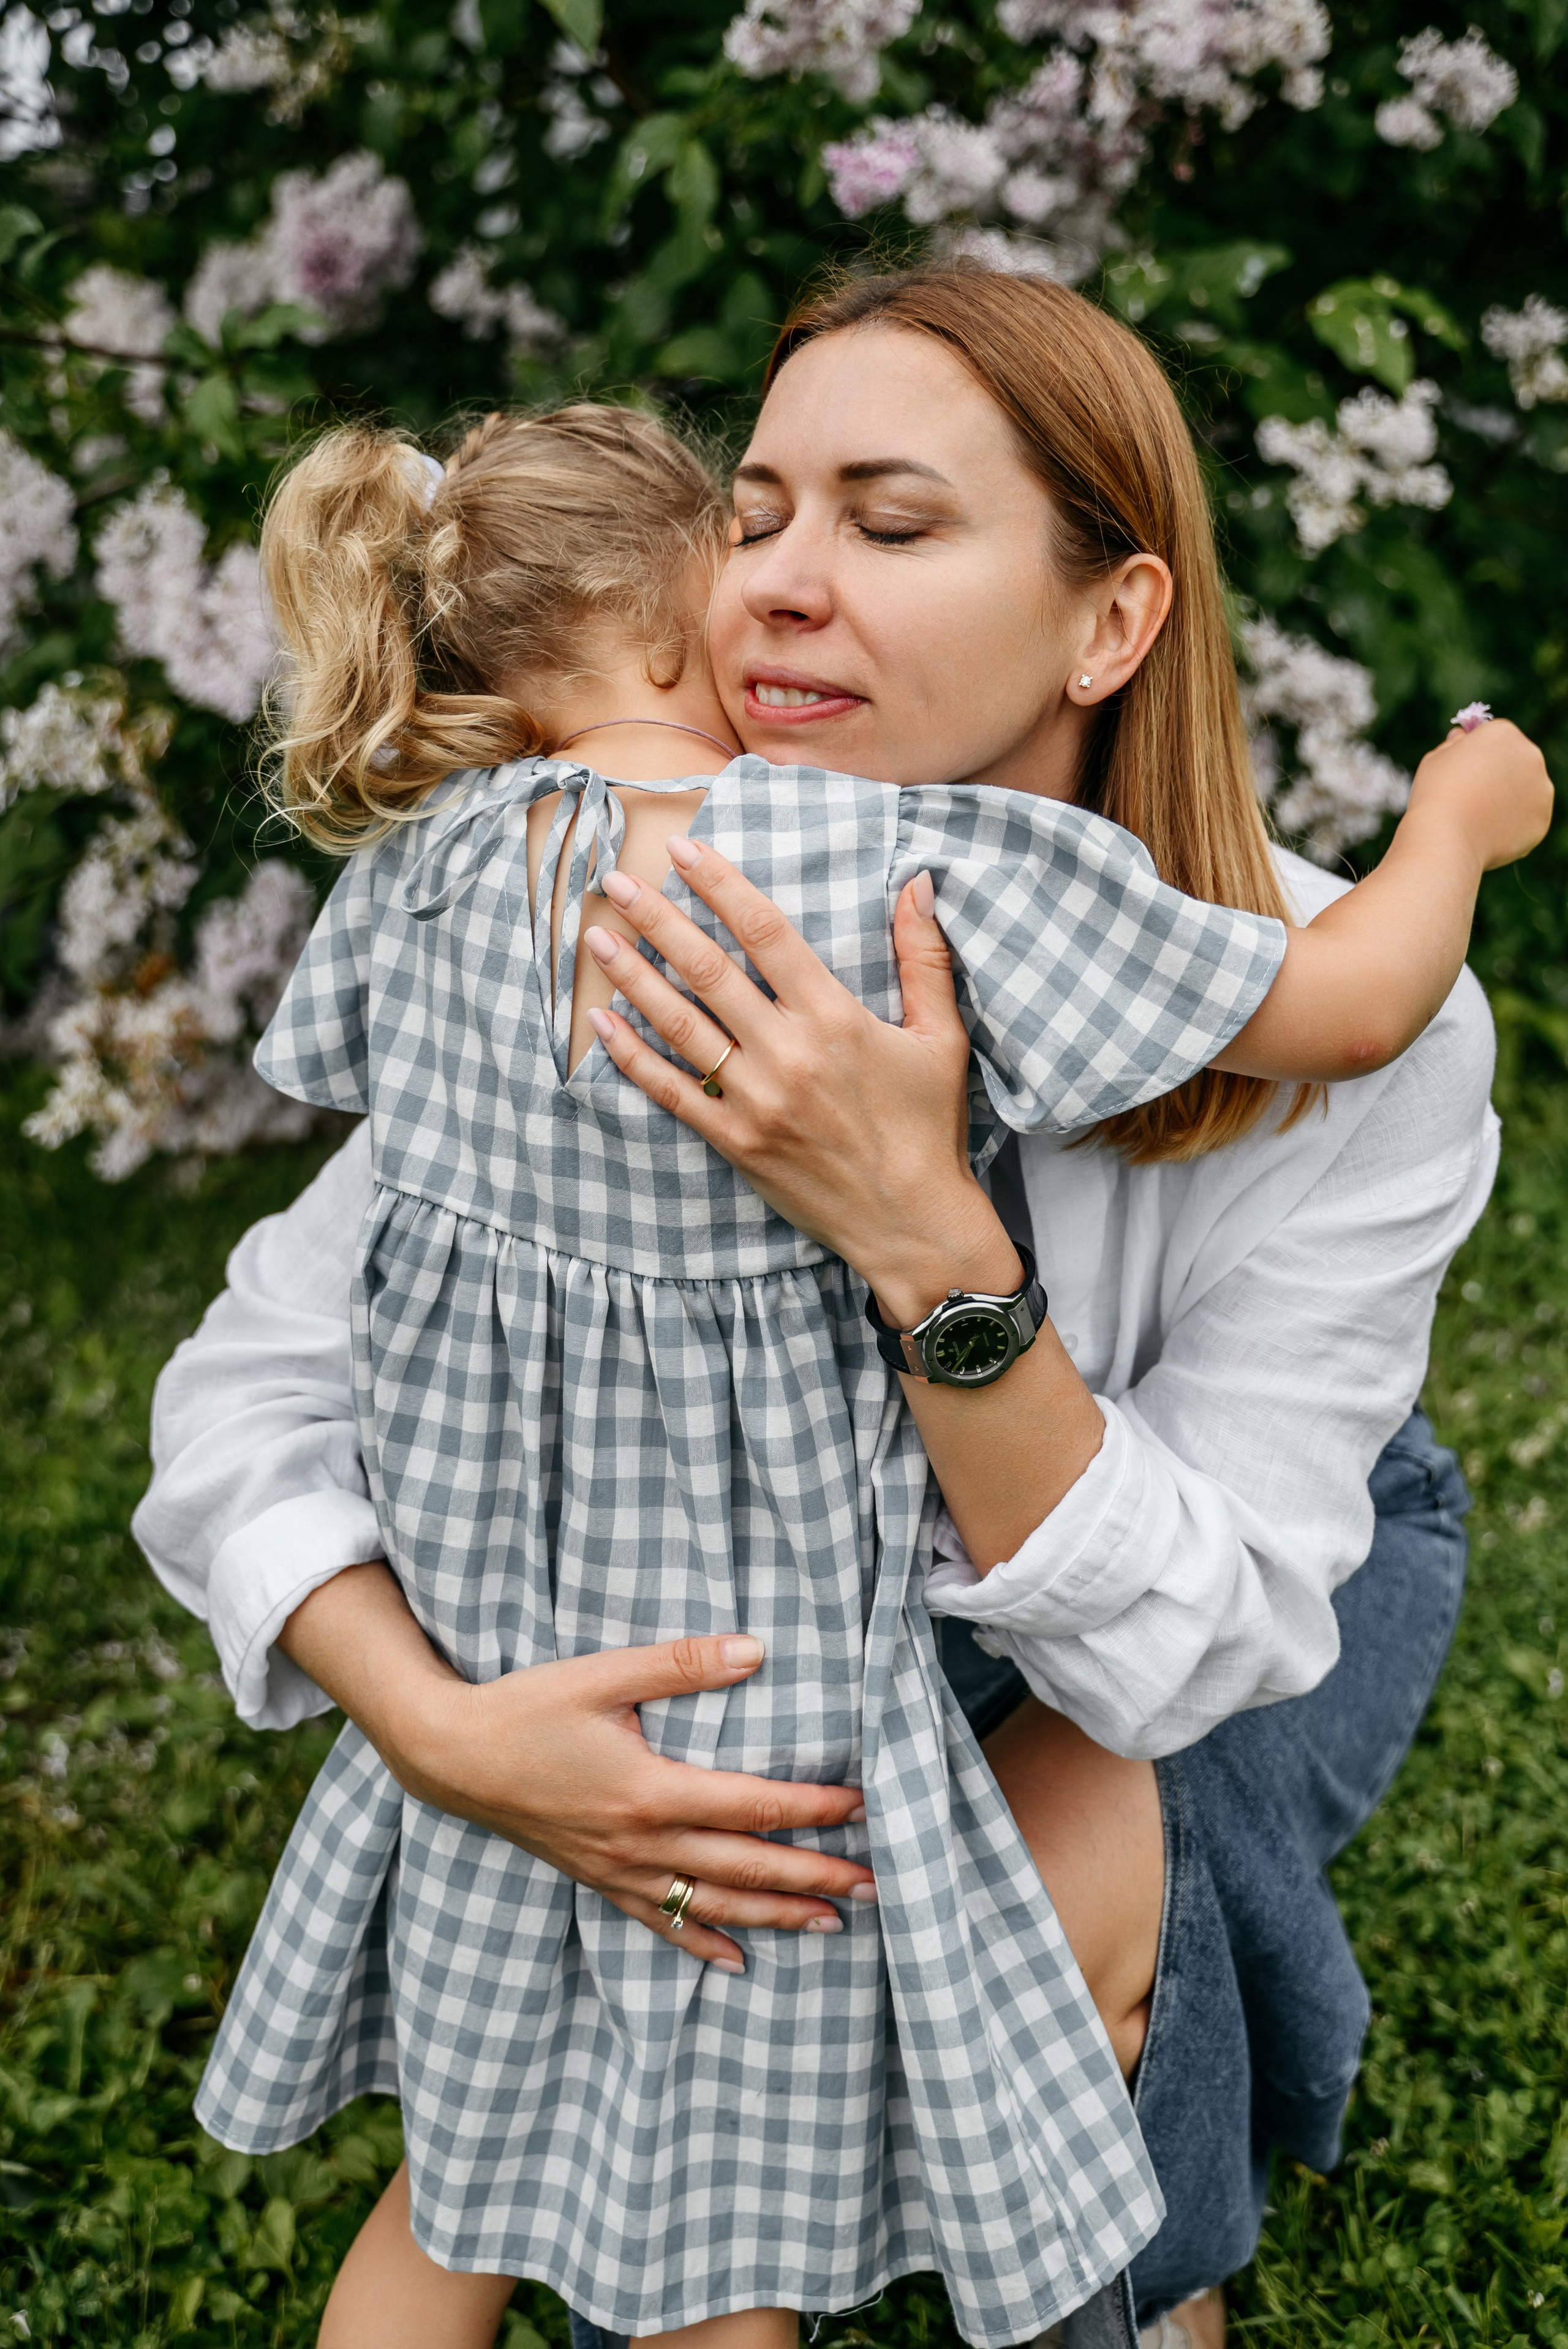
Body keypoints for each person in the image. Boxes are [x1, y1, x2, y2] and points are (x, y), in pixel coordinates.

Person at [133, 272, 1548, 2349]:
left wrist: (917, 1233)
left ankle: (1150, 2277)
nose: (784, 586)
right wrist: (448, 1736)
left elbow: (1186, 1640)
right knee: (711, 2042)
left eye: (888, 526)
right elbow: (256, 1389)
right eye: (760, 515)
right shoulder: (614, 891)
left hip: (1216, 1592)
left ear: (1109, 622)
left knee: (1054, 1947)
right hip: (820, 1616)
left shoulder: (1307, 995)